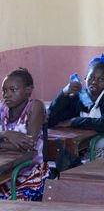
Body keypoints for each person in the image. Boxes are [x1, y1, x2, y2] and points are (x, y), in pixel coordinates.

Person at [47, 54, 104, 158]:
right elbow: (50, 120)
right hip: (79, 151)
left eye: (101, 79)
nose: (94, 82)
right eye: (91, 77)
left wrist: (74, 121)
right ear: (85, 77)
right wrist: (63, 94)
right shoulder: (77, 97)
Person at [0, 68, 49, 201]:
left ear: (28, 90)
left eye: (13, 90)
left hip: (31, 172)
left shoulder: (35, 107)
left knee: (11, 204)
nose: (7, 95)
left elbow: (29, 146)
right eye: (4, 90)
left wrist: (1, 142)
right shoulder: (2, 109)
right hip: (7, 174)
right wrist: (6, 134)